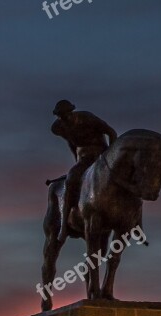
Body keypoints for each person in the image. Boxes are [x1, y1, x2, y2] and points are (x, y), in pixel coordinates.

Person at [51, 100, 117, 242]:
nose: (64, 118)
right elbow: (71, 143)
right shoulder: (58, 127)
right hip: (84, 158)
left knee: (124, 175)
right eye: (60, 116)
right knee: (71, 179)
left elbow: (111, 132)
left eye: (66, 114)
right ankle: (64, 225)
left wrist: (110, 155)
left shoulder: (87, 118)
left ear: (71, 112)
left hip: (102, 155)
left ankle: (134, 217)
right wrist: (77, 160)